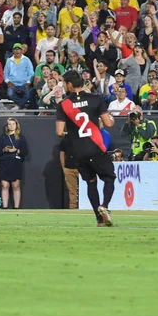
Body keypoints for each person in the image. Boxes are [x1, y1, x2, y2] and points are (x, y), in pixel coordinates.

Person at [56, 70, 116, 227]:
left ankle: (98, 218)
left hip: (79, 152)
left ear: (69, 84)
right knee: (109, 178)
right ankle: (105, 206)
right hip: (96, 148)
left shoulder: (63, 104)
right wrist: (112, 120)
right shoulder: (96, 99)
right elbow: (108, 124)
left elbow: (59, 132)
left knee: (91, 183)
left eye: (64, 83)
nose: (63, 86)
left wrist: (72, 135)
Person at [0, 118, 29, 209]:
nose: (11, 126)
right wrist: (4, 150)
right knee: (4, 185)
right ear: (7, 126)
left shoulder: (21, 137)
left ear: (16, 125)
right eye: (9, 124)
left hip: (16, 163)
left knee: (16, 186)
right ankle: (5, 207)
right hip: (4, 163)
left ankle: (16, 207)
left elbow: (25, 152)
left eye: (13, 124)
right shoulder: (3, 137)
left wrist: (17, 150)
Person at [59, 137, 78, 210]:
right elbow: (62, 154)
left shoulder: (82, 138)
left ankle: (86, 206)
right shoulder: (65, 140)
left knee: (87, 188)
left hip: (81, 168)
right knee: (72, 190)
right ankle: (73, 207)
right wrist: (64, 168)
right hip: (69, 168)